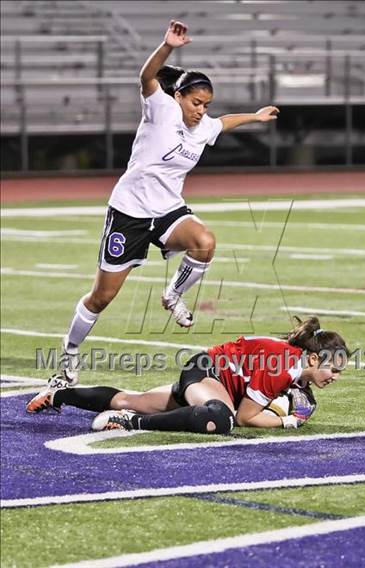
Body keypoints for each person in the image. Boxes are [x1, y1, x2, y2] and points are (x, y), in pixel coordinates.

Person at [61, 20, 280, 385]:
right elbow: (146, 76)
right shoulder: (160, 109)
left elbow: (222, 123)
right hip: (130, 212)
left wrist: (254, 117)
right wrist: (167, 47)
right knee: (102, 297)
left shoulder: (203, 125)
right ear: (178, 97)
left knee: (205, 242)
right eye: (196, 103)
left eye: (206, 104)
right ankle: (69, 353)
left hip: (166, 210)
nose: (201, 111)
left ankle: (173, 294)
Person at [27, 317, 349, 434]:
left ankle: (56, 395)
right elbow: (247, 417)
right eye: (333, 367)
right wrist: (286, 421)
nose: (334, 376)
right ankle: (129, 422)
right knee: (222, 420)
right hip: (207, 373)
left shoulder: (295, 368)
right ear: (312, 357)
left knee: (131, 398)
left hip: (211, 376)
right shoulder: (283, 365)